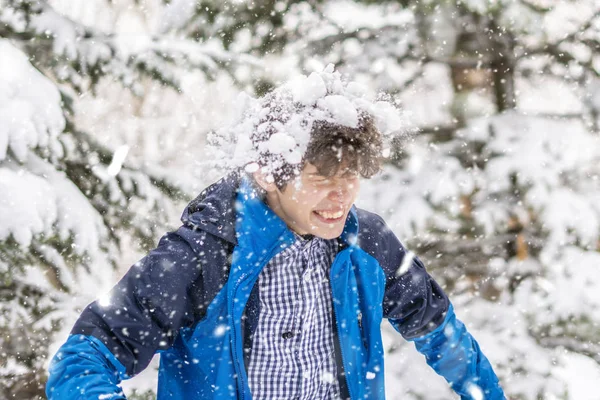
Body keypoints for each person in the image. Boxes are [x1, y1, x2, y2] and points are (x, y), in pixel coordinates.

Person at [46, 67, 506, 400]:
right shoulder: (203, 253)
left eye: (352, 175)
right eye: (322, 176)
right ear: (268, 173)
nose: (340, 195)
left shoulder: (369, 244)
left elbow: (442, 334)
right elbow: (82, 359)